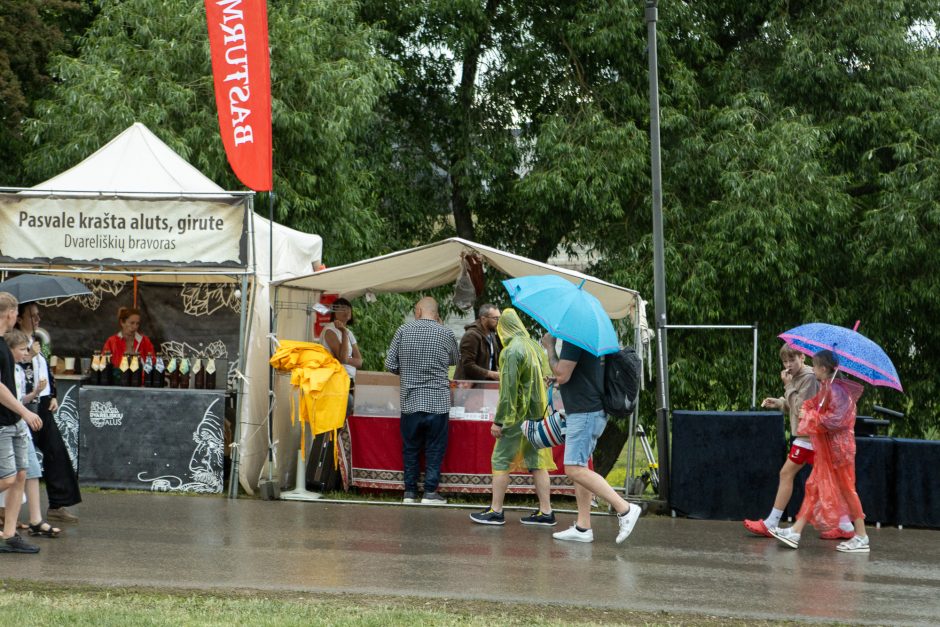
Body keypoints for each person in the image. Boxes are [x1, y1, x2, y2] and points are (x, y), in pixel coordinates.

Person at [541, 333, 641, 544]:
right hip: (590, 409)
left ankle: (625, 509)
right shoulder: (590, 336)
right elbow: (583, 374)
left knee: (573, 469)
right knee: (581, 469)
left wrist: (550, 347)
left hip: (584, 412)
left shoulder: (573, 337)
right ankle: (583, 526)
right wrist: (561, 381)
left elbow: (563, 374)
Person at [744, 344, 851, 538]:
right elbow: (796, 406)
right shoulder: (800, 377)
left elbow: (802, 409)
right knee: (827, 481)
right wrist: (779, 403)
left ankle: (772, 523)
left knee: (787, 474)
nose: (788, 365)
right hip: (807, 436)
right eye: (785, 361)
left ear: (802, 357)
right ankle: (847, 526)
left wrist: (788, 386)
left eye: (792, 360)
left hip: (807, 437)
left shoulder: (809, 378)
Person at [770, 350, 871, 553]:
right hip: (827, 449)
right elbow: (815, 407)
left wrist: (811, 416)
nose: (812, 370)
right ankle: (796, 532)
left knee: (847, 490)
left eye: (815, 366)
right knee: (814, 486)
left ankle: (861, 536)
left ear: (823, 369)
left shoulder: (839, 391)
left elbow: (835, 421)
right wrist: (808, 410)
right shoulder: (828, 387)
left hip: (839, 451)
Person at [470, 309, 556, 526]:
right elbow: (546, 379)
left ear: (503, 328)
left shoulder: (510, 352)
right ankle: (546, 512)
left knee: (500, 460)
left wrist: (499, 421)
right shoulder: (534, 347)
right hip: (537, 415)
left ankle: (496, 511)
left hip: (517, 417)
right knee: (537, 462)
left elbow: (508, 391)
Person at [384, 296, 459, 505]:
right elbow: (455, 360)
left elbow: (390, 365)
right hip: (438, 401)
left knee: (410, 448)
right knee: (435, 448)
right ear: (437, 315)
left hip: (410, 401)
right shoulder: (446, 333)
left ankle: (409, 492)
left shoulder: (402, 331)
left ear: (418, 311)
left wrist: (407, 371)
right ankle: (430, 492)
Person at [16, 302, 82, 524]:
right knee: (20, 457)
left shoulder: (37, 342)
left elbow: (46, 370)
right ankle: (8, 510)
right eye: (32, 316)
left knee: (55, 451)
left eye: (38, 316)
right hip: (24, 404)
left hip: (42, 402)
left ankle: (57, 503)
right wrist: (27, 356)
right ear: (19, 318)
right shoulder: (13, 341)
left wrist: (52, 394)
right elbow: (12, 371)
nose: (37, 320)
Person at [3, 328, 61, 538]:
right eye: (21, 349)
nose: (26, 353)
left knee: (28, 471)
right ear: (9, 350)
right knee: (10, 477)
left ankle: (29, 522)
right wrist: (25, 413)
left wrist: (35, 394)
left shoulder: (17, 370)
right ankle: (13, 525)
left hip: (19, 425)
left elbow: (18, 399)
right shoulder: (9, 369)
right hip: (11, 424)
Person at [0, 292, 43, 554]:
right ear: (9, 313)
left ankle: (9, 534)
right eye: (16, 313)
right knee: (6, 478)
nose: (17, 317)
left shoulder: (4, 344)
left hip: (13, 420)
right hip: (3, 422)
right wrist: (25, 413)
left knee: (20, 475)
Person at [320, 297, 363, 410]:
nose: (347, 311)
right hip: (335, 380)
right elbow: (343, 358)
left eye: (348, 308)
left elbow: (359, 362)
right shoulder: (329, 330)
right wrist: (343, 332)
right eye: (342, 308)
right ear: (334, 312)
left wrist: (347, 359)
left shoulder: (349, 332)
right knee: (342, 410)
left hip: (349, 379)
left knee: (348, 411)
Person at [454, 303, 501, 382]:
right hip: (468, 386)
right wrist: (491, 374)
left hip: (484, 385)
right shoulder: (471, 335)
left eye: (499, 318)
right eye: (495, 318)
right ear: (483, 319)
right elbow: (468, 365)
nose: (498, 321)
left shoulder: (491, 334)